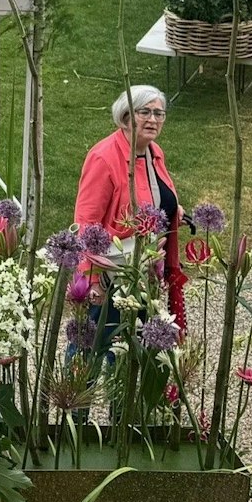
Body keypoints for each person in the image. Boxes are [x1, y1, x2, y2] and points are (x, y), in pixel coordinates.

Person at [75, 85, 186, 328]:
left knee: (139, 339)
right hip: (113, 274)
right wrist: (92, 279)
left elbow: (153, 196)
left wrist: (173, 209)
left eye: (159, 113)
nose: (153, 119)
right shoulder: (104, 157)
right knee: (102, 340)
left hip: (146, 271)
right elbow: (86, 222)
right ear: (125, 117)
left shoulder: (153, 152)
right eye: (144, 112)